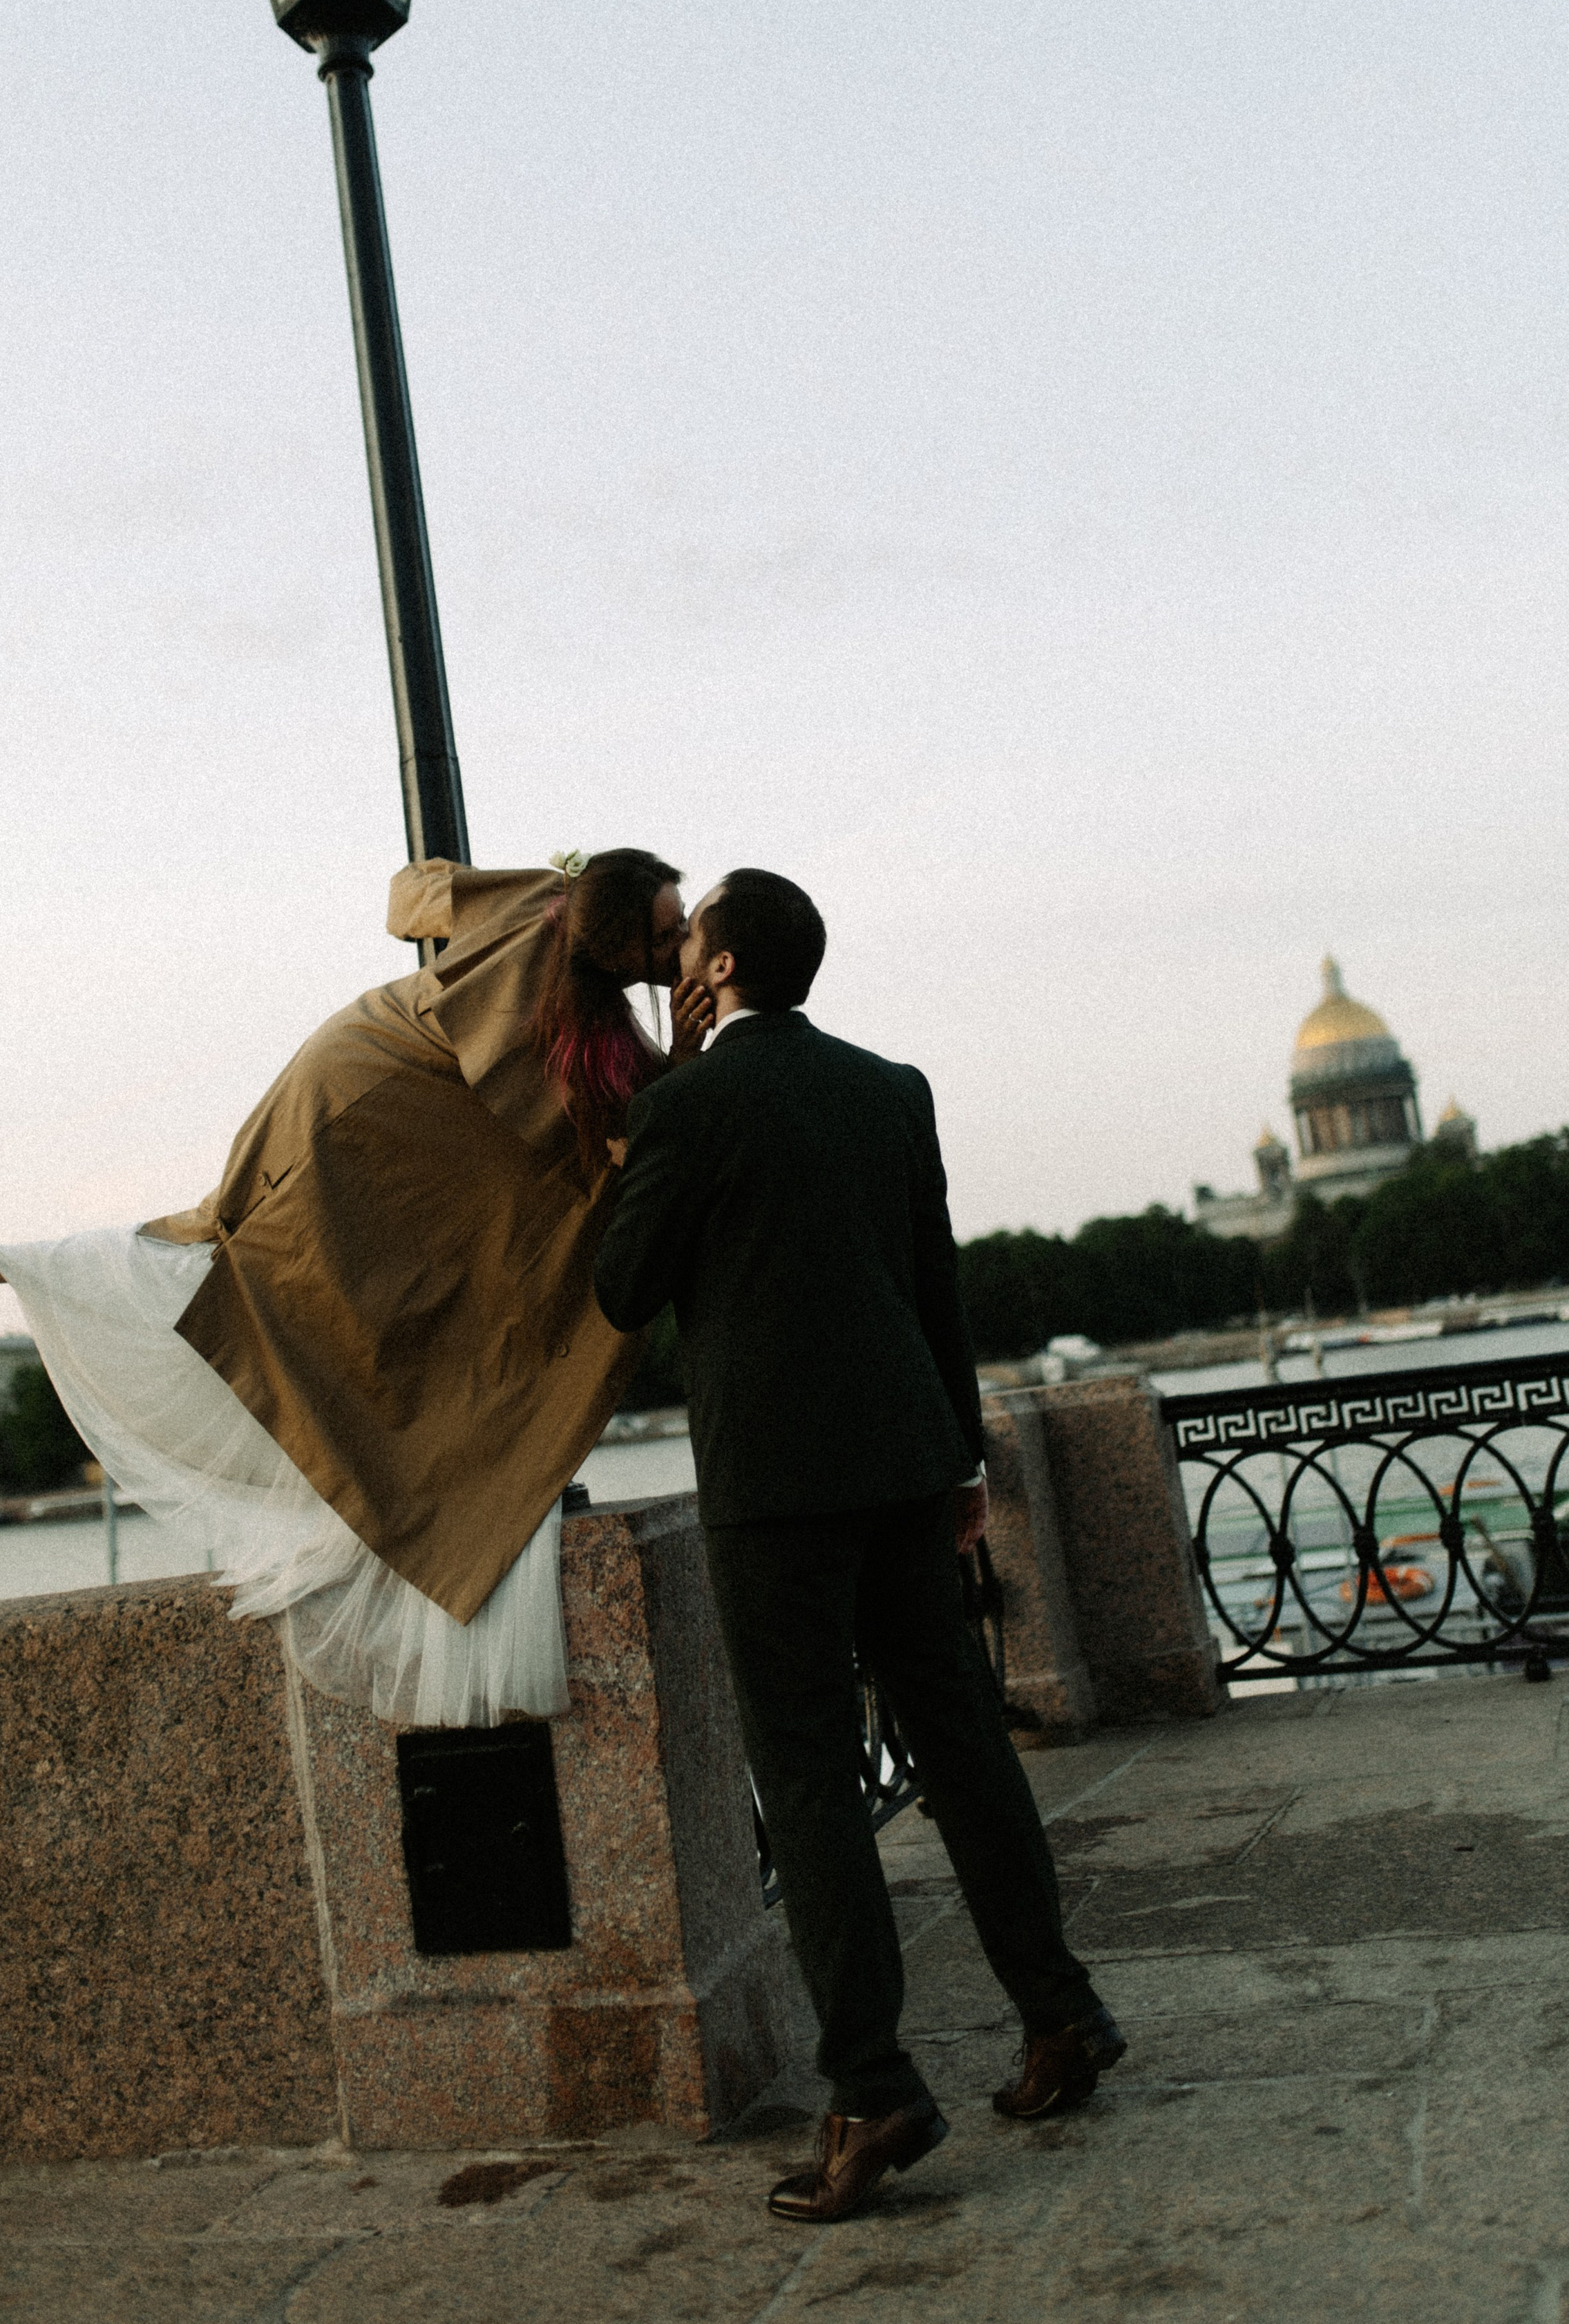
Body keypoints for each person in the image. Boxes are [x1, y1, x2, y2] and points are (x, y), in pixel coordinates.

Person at [0, 850, 713, 1726]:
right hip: (360, 1113)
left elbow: (414, 896)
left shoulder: (553, 912)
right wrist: (688, 1052)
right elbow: (625, 1139)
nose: (680, 944)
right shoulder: (568, 1011)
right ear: (618, 947)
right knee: (237, 1262)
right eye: (665, 932)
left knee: (246, 1259)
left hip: (366, 1072)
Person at [592, 869, 1123, 2224]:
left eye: (688, 940)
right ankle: (1058, 2019)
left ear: (711, 973)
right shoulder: (892, 1088)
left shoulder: (683, 1105)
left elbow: (621, 1288)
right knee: (957, 1741)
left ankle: (870, 2087)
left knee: (812, 1780)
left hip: (774, 1489)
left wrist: (630, 1162)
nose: (677, 957)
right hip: (900, 1459)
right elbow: (931, 1280)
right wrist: (956, 1455)